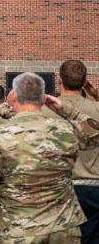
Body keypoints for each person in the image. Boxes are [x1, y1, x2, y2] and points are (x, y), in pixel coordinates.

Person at [0, 72, 99, 243]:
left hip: (19, 229)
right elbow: (95, 132)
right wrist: (63, 109)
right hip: (62, 228)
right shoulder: (64, 130)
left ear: (14, 96)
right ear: (44, 98)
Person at [58, 60, 99, 240]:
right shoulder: (96, 108)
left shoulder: (43, 110)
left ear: (59, 80)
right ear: (84, 82)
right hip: (93, 186)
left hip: (59, 187)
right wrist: (96, 94)